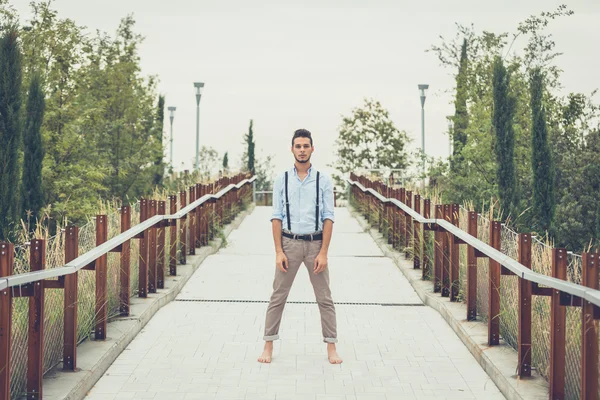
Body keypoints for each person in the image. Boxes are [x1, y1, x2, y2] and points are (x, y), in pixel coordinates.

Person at [258, 129, 342, 364]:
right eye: (298, 146)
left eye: (306, 146)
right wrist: (278, 251)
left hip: (315, 245)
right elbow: (276, 217)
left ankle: (331, 347)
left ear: (312, 149)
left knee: (325, 298)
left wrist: (324, 252)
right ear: (292, 149)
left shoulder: (323, 180)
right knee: (278, 296)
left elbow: (328, 217)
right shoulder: (282, 179)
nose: (302, 150)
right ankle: (268, 345)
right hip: (289, 243)